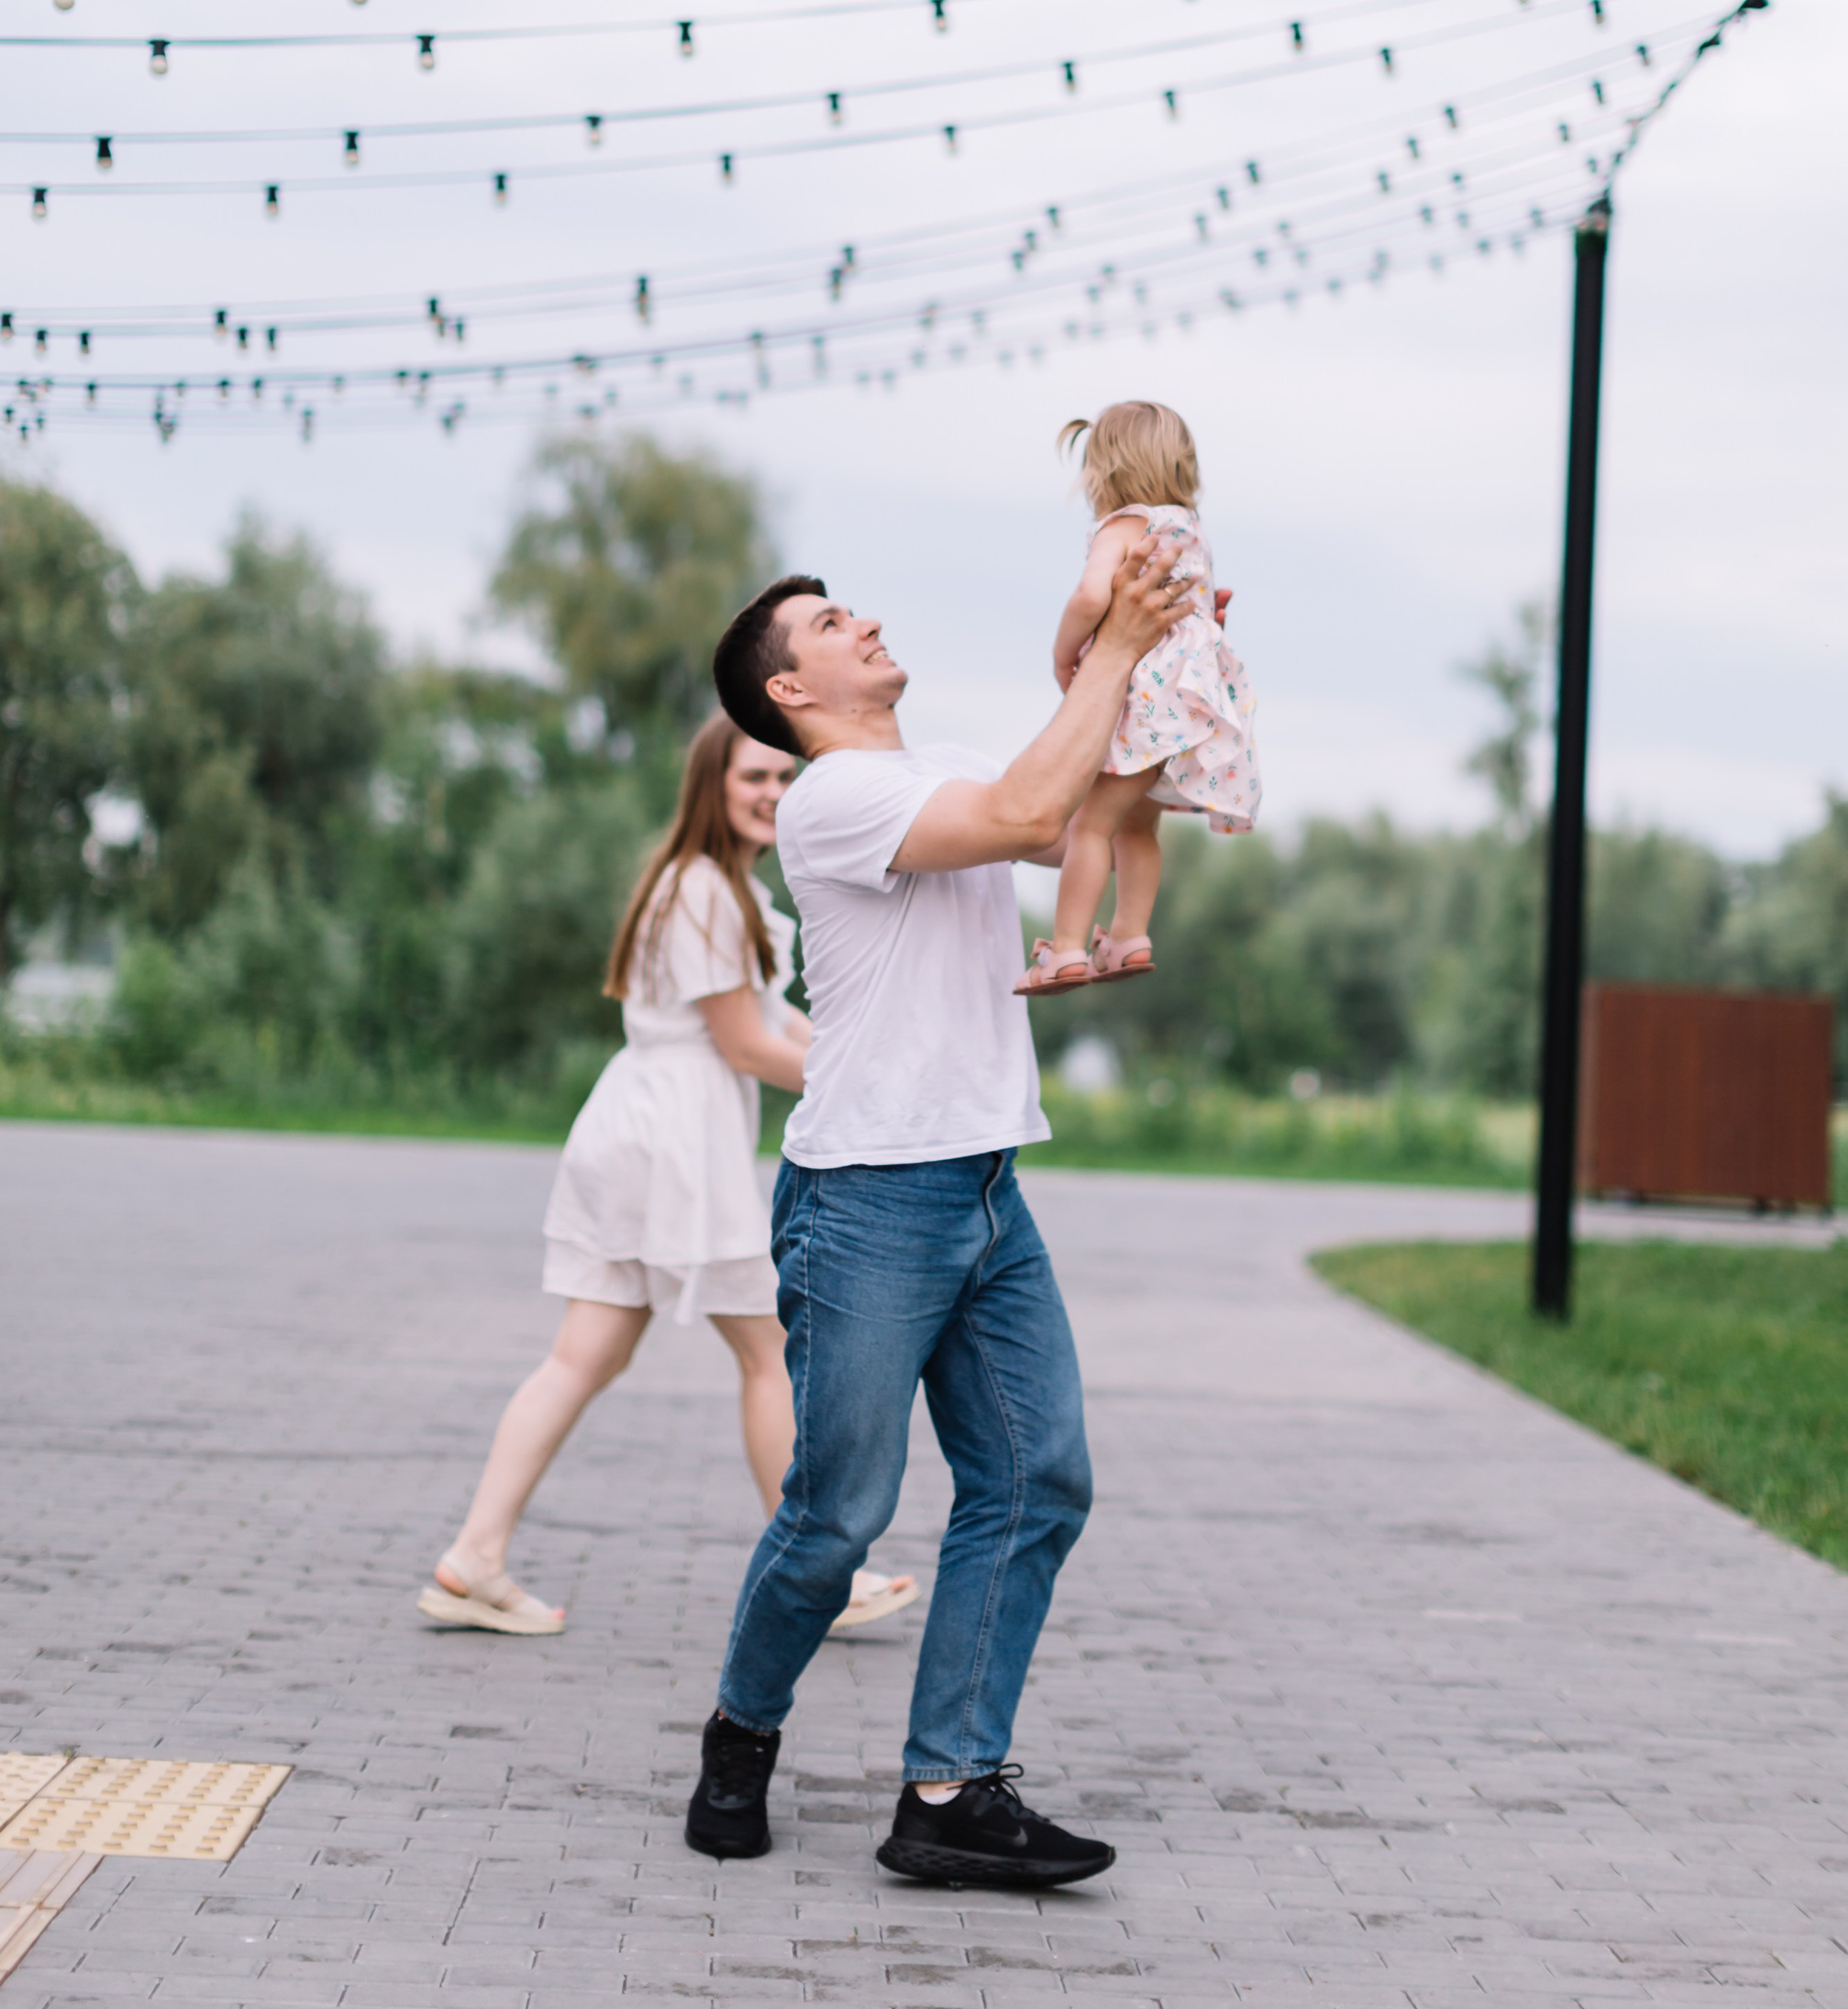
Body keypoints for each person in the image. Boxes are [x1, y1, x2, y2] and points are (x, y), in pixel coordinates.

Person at [684, 528, 1187, 1887]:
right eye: (833, 624)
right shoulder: (829, 799)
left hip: (983, 1183)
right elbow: (1031, 816)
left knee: (1036, 1481)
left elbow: (1076, 787)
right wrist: (1122, 649)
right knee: (839, 1514)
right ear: (791, 692)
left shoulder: (931, 758)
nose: (865, 624)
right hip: (866, 1203)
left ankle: (949, 1792)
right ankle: (742, 1731)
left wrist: (1163, 642)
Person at [418, 712, 917, 1641]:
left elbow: (782, 1027)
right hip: (669, 1144)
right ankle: (821, 1575)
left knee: (588, 1355)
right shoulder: (703, 895)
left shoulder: (718, 891)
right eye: (751, 780)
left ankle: (474, 1558)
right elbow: (744, 1044)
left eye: (781, 778)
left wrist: (871, 1062)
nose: (771, 794)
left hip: (643, 1131)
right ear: (709, 787)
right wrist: (872, 1092)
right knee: (768, 1350)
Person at [1018, 401, 1259, 993]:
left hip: (1145, 704)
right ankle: (1128, 936)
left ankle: (1069, 948)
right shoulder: (1190, 529)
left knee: (1091, 827)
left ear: (1103, 473)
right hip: (1195, 705)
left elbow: (1090, 596)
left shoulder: (1124, 526)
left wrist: (1061, 654)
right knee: (1136, 828)